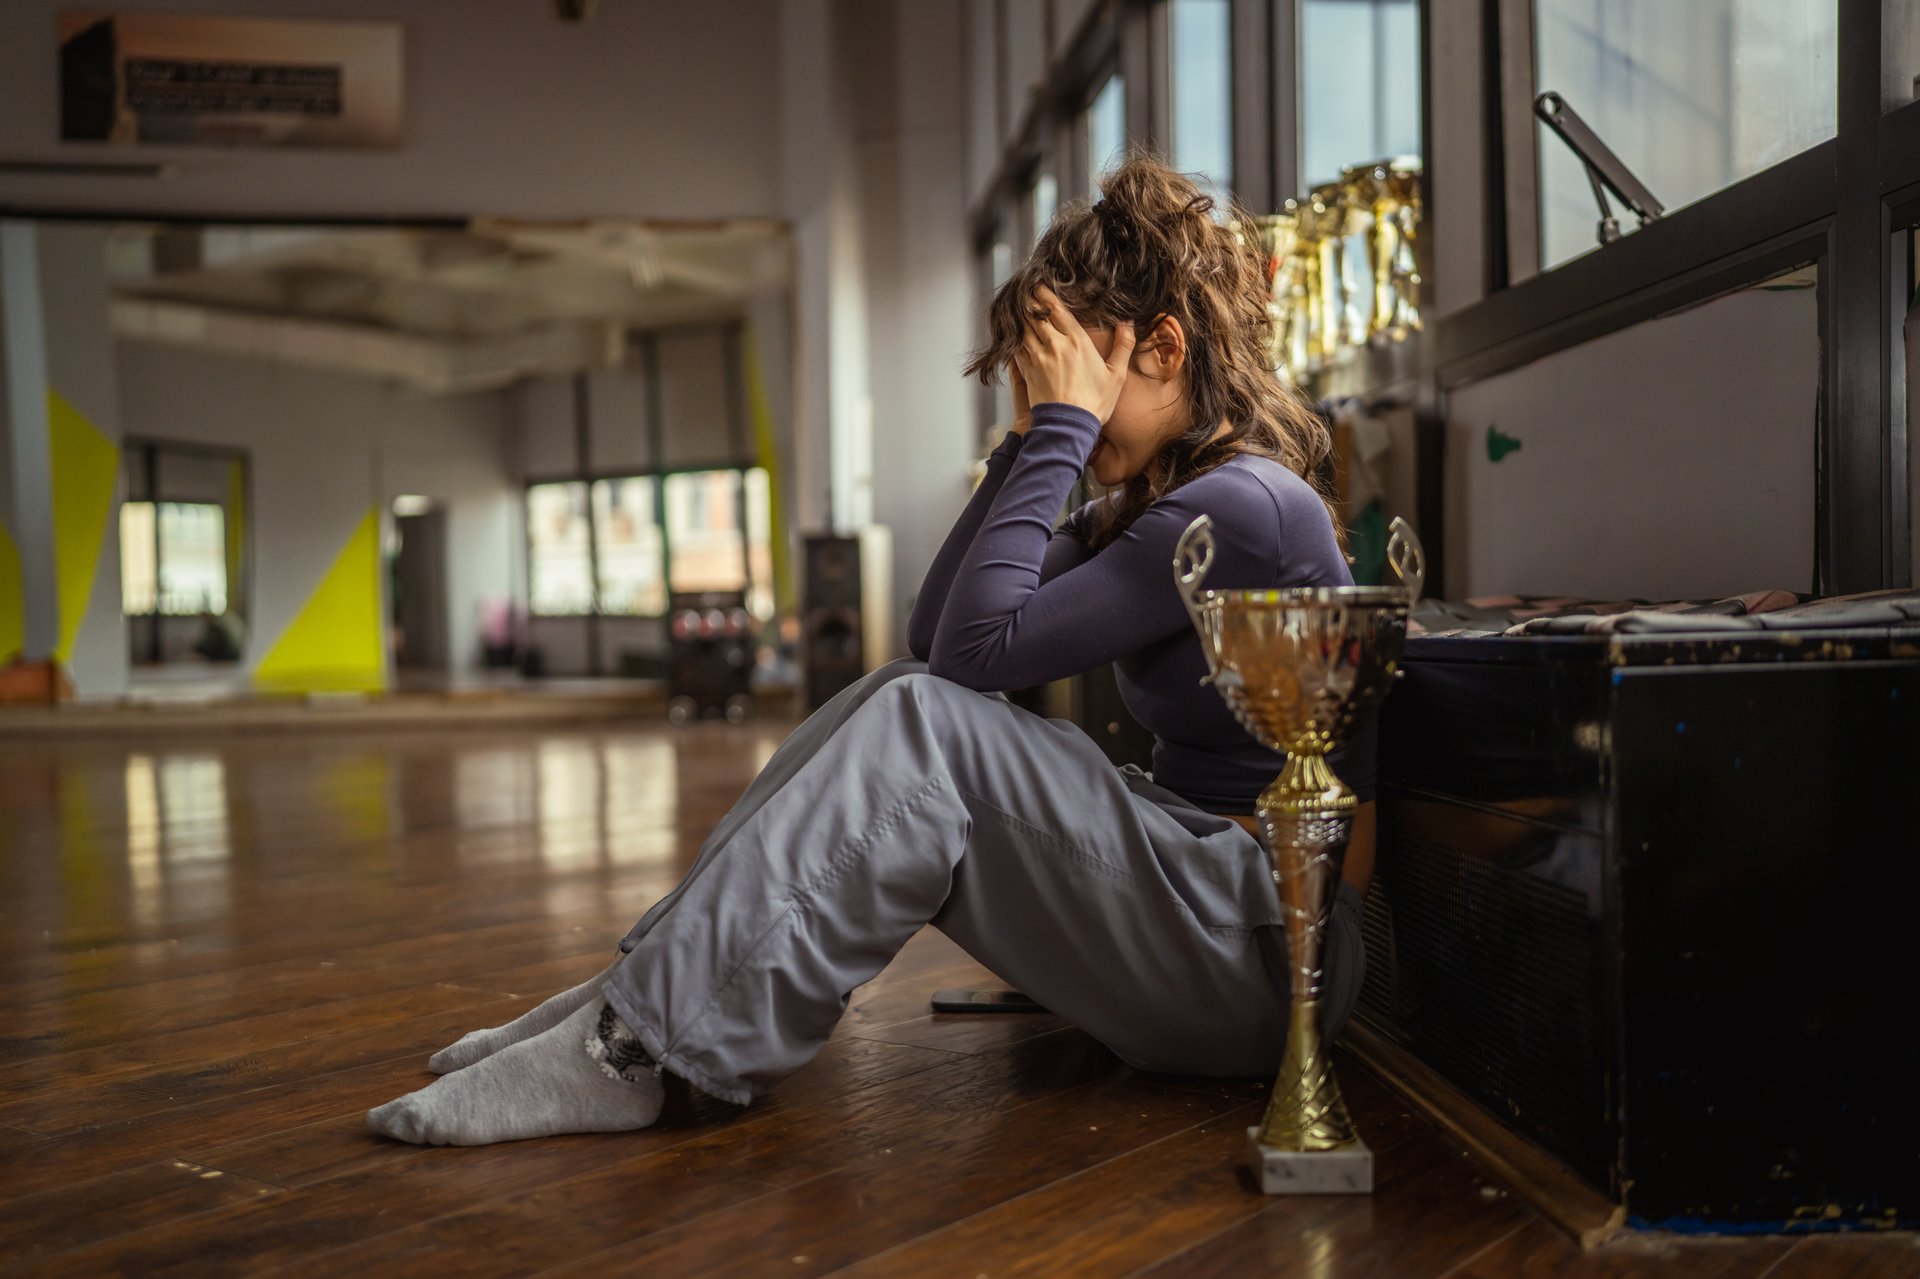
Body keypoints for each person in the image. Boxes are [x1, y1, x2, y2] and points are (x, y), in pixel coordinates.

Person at [366, 153, 1376, 1146]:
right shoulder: (1157, 503)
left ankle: (639, 1045)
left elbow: (977, 657)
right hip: (1203, 911)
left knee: (924, 726)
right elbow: (936, 639)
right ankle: (639, 1001)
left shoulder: (1245, 504)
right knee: (899, 691)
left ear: (1160, 347)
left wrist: (1064, 431)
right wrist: (1030, 445)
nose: (1044, 399)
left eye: (1064, 374)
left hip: (1262, 950)